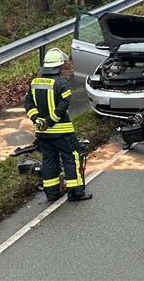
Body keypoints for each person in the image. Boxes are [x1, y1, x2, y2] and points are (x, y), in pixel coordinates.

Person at [24, 48, 92, 201]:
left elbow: (28, 103)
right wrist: (50, 121)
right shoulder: (61, 83)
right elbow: (63, 106)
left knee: (49, 160)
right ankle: (75, 192)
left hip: (42, 133)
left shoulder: (34, 83)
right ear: (59, 66)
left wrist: (37, 119)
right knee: (72, 157)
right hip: (63, 132)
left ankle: (52, 193)